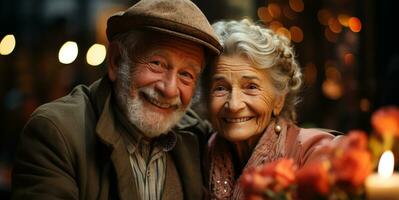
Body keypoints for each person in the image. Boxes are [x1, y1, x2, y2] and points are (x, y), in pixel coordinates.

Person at [11, 0, 222, 199]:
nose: (169, 90)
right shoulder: (57, 132)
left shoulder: (198, 137)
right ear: (116, 61)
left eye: (186, 74)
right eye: (157, 63)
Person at [202, 19, 342, 199]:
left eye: (251, 87)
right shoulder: (201, 155)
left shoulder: (317, 152)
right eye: (220, 88)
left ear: (278, 100)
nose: (234, 105)